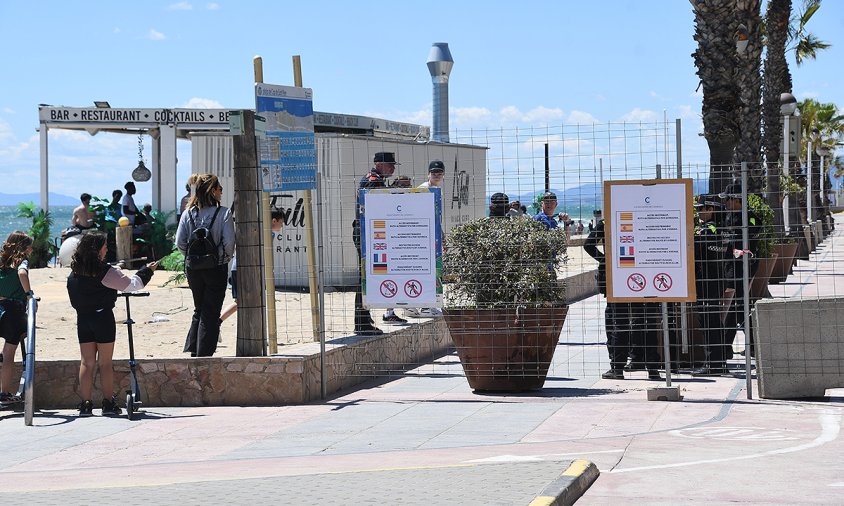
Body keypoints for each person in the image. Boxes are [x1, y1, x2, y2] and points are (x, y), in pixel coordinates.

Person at [67, 232, 157, 416]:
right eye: (104, 246)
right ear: (97, 249)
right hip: (102, 319)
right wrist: (147, 270)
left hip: (83, 319)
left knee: (87, 362)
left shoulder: (74, 272)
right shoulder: (104, 271)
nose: (107, 248)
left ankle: (85, 404)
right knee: (105, 363)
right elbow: (133, 285)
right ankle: (108, 403)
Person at [584, 210, 661, 381]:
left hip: (617, 276)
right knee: (646, 321)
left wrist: (606, 261)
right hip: (644, 275)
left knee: (619, 322)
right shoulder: (645, 217)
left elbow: (588, 245)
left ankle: (617, 368)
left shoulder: (608, 221)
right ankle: (652, 368)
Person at [176, 174, 235, 356]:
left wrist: (193, 257)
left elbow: (180, 242)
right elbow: (229, 243)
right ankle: (204, 356)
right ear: (213, 191)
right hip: (215, 267)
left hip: (193, 268)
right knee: (211, 312)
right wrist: (221, 258)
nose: (222, 192)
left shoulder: (188, 213)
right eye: (220, 188)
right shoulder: (223, 213)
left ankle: (193, 349)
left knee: (199, 308)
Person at [352, 152, 401, 334]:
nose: (393, 169)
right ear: (380, 164)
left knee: (367, 277)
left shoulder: (373, 179)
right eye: (391, 165)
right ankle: (361, 323)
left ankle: (364, 319)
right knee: (365, 277)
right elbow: (378, 208)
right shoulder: (374, 181)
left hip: (368, 233)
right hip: (367, 234)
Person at [690, 195, 733, 376]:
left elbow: (693, 252)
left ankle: (712, 364)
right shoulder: (724, 229)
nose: (699, 212)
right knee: (715, 321)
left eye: (702, 209)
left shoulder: (706, 231)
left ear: (711, 209)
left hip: (706, 281)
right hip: (717, 280)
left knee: (709, 323)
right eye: (698, 209)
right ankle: (719, 362)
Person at [220, 209, 284, 327]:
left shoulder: (260, 231)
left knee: (246, 302)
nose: (282, 225)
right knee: (242, 302)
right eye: (281, 222)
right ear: (274, 221)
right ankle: (217, 323)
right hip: (245, 269)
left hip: (243, 268)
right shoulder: (266, 233)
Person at [405, 161, 447, 319]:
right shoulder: (423, 189)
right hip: (421, 237)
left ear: (443, 175)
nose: (436, 174)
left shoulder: (436, 189)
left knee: (426, 271)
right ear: (428, 174)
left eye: (439, 172)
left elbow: (435, 217)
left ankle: (420, 306)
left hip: (429, 236)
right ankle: (421, 307)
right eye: (433, 172)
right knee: (424, 271)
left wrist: (441, 235)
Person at [0, 232, 33, 406]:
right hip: (13, 310)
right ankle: (4, 393)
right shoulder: (21, 262)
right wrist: (29, 294)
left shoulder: (1, 261)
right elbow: (22, 274)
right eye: (30, 246)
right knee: (8, 353)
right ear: (23, 247)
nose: (32, 249)